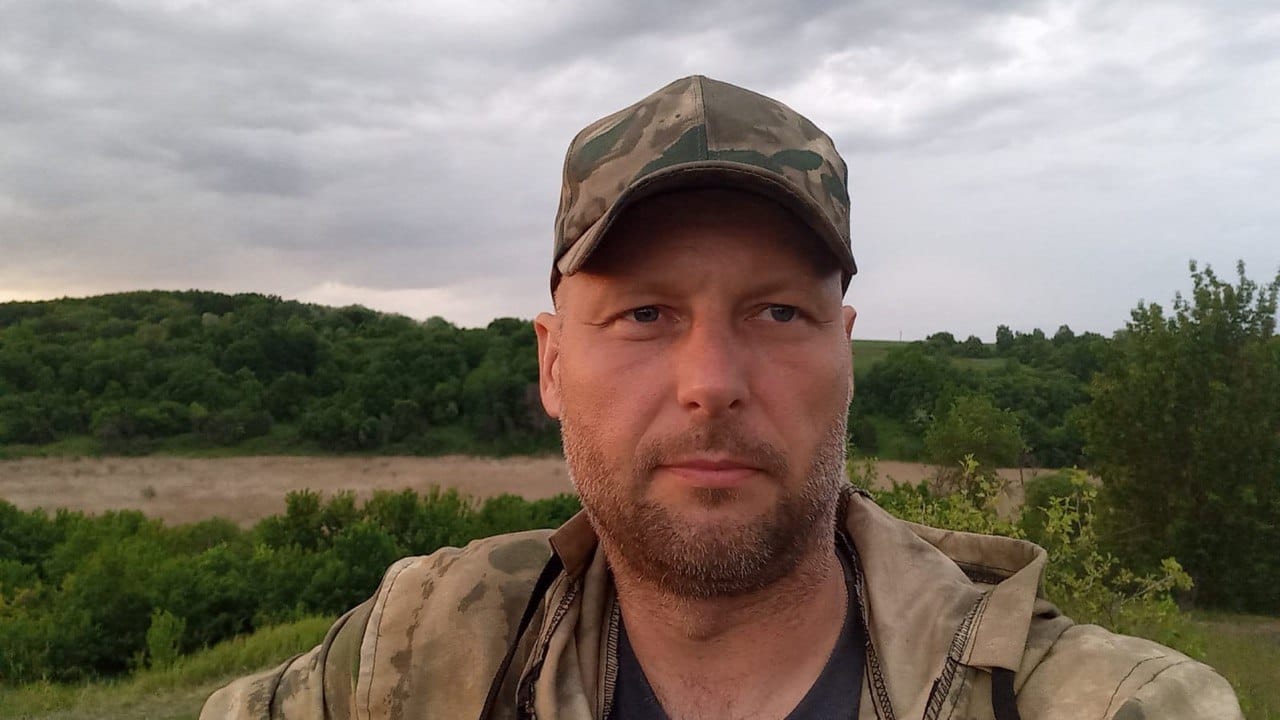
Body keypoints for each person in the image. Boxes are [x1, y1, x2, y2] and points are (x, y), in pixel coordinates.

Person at [201, 75, 1242, 720]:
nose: (711, 385)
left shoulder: (1095, 702)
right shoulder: (418, 654)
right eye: (644, 314)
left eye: (777, 313)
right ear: (553, 365)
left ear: (843, 354)